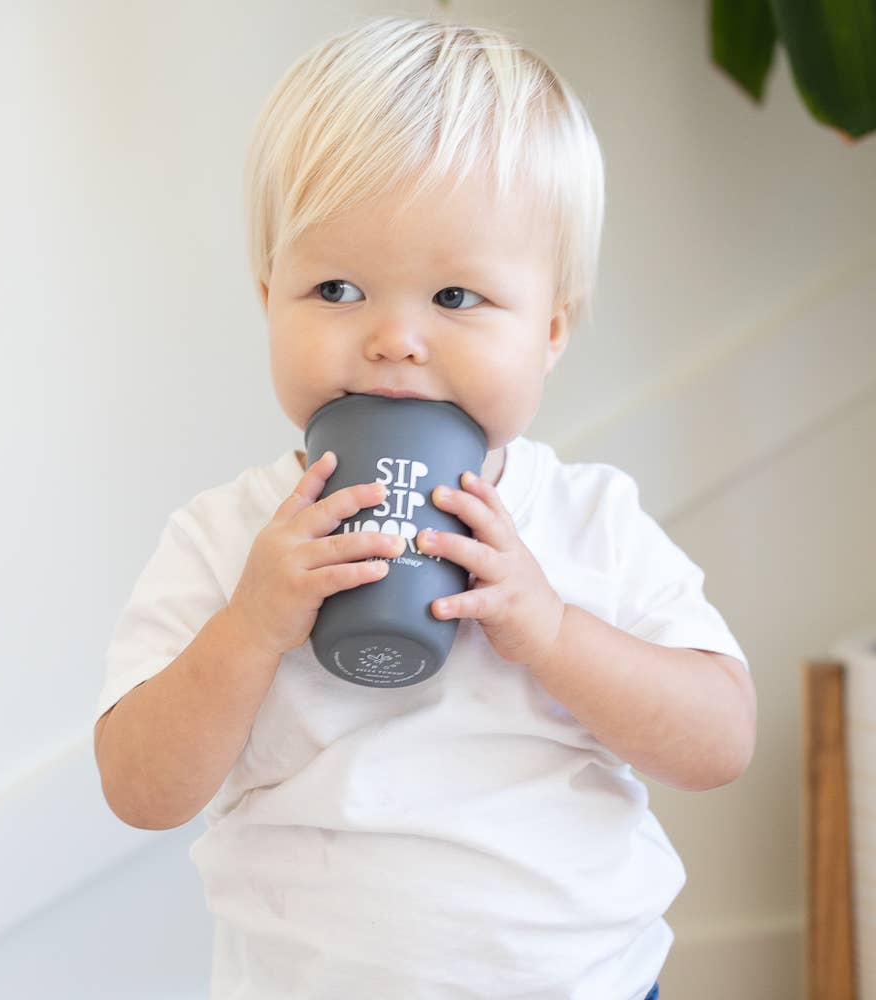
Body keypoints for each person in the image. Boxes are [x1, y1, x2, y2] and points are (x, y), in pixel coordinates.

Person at [92, 15, 756, 1000]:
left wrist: (554, 631)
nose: (395, 338)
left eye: (454, 297)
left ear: (550, 330)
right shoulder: (227, 539)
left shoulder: (587, 522)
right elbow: (140, 790)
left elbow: (719, 742)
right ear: (269, 296)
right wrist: (249, 627)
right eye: (337, 288)